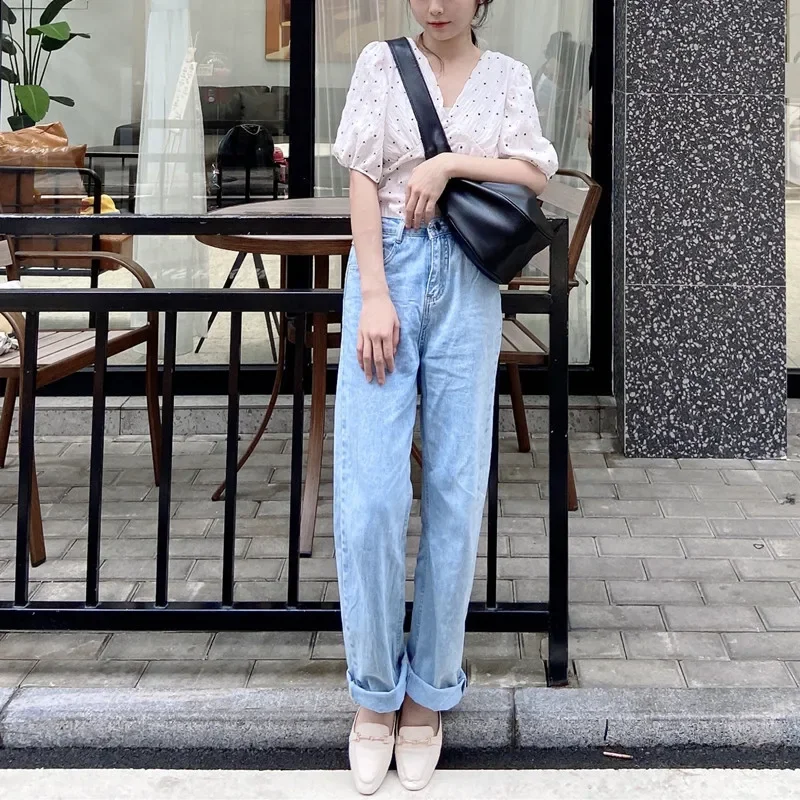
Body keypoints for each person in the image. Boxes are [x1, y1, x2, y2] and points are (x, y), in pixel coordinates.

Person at [331, 0, 558, 793]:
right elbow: (363, 178)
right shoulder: (380, 64)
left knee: (456, 492)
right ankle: (372, 695)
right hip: (388, 269)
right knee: (370, 495)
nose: (435, 5)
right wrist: (375, 293)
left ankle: (427, 693)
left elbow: (536, 170)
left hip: (467, 280)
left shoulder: (508, 77)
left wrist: (449, 165)